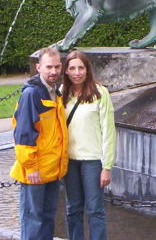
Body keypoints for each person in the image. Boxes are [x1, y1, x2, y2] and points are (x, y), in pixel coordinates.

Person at [10, 47, 68, 240]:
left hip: (51, 169)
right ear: (38, 67)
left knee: (47, 217)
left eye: (57, 66)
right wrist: (31, 167)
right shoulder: (32, 94)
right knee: (33, 219)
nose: (53, 71)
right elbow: (23, 134)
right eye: (48, 67)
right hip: (35, 171)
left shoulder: (54, 93)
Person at [61, 50, 116, 240]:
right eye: (72, 68)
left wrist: (106, 167)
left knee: (95, 211)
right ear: (66, 71)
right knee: (73, 209)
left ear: (87, 69)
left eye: (81, 68)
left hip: (92, 161)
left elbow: (109, 132)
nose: (77, 72)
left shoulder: (100, 93)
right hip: (69, 161)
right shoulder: (61, 94)